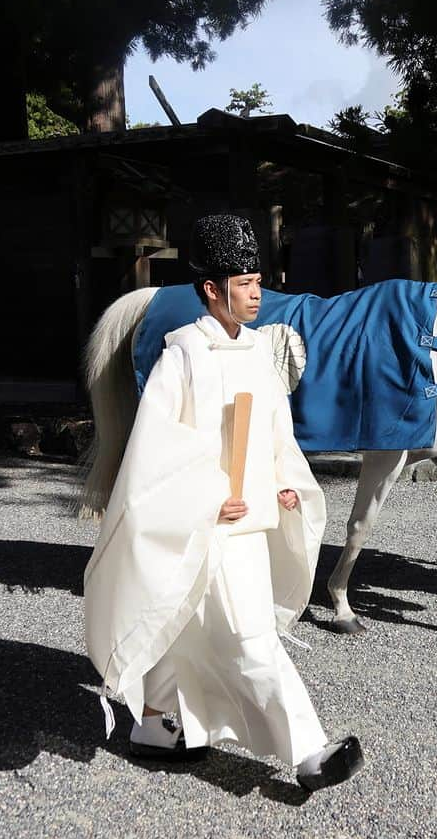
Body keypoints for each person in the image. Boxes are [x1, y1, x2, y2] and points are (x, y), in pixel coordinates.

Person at [84, 213, 363, 791]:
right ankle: (309, 752)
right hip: (210, 520)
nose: (257, 294)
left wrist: (285, 477)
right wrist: (209, 496)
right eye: (244, 284)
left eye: (260, 281)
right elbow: (156, 447)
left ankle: (162, 729)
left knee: (186, 620)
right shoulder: (183, 355)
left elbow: (275, 429)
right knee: (247, 634)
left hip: (254, 515)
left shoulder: (259, 350)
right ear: (212, 290)